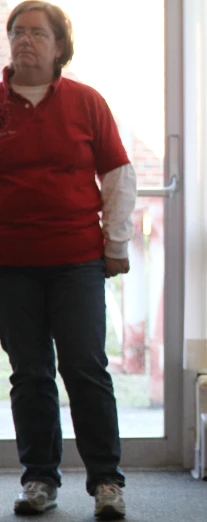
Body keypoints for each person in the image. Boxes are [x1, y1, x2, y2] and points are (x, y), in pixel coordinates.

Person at [0, 1, 135, 519]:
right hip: (11, 264)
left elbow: (119, 174)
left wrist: (116, 245)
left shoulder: (85, 102)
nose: (26, 40)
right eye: (18, 31)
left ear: (60, 47)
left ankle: (106, 481)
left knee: (85, 368)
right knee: (30, 374)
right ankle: (39, 479)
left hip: (77, 259)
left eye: (38, 33)